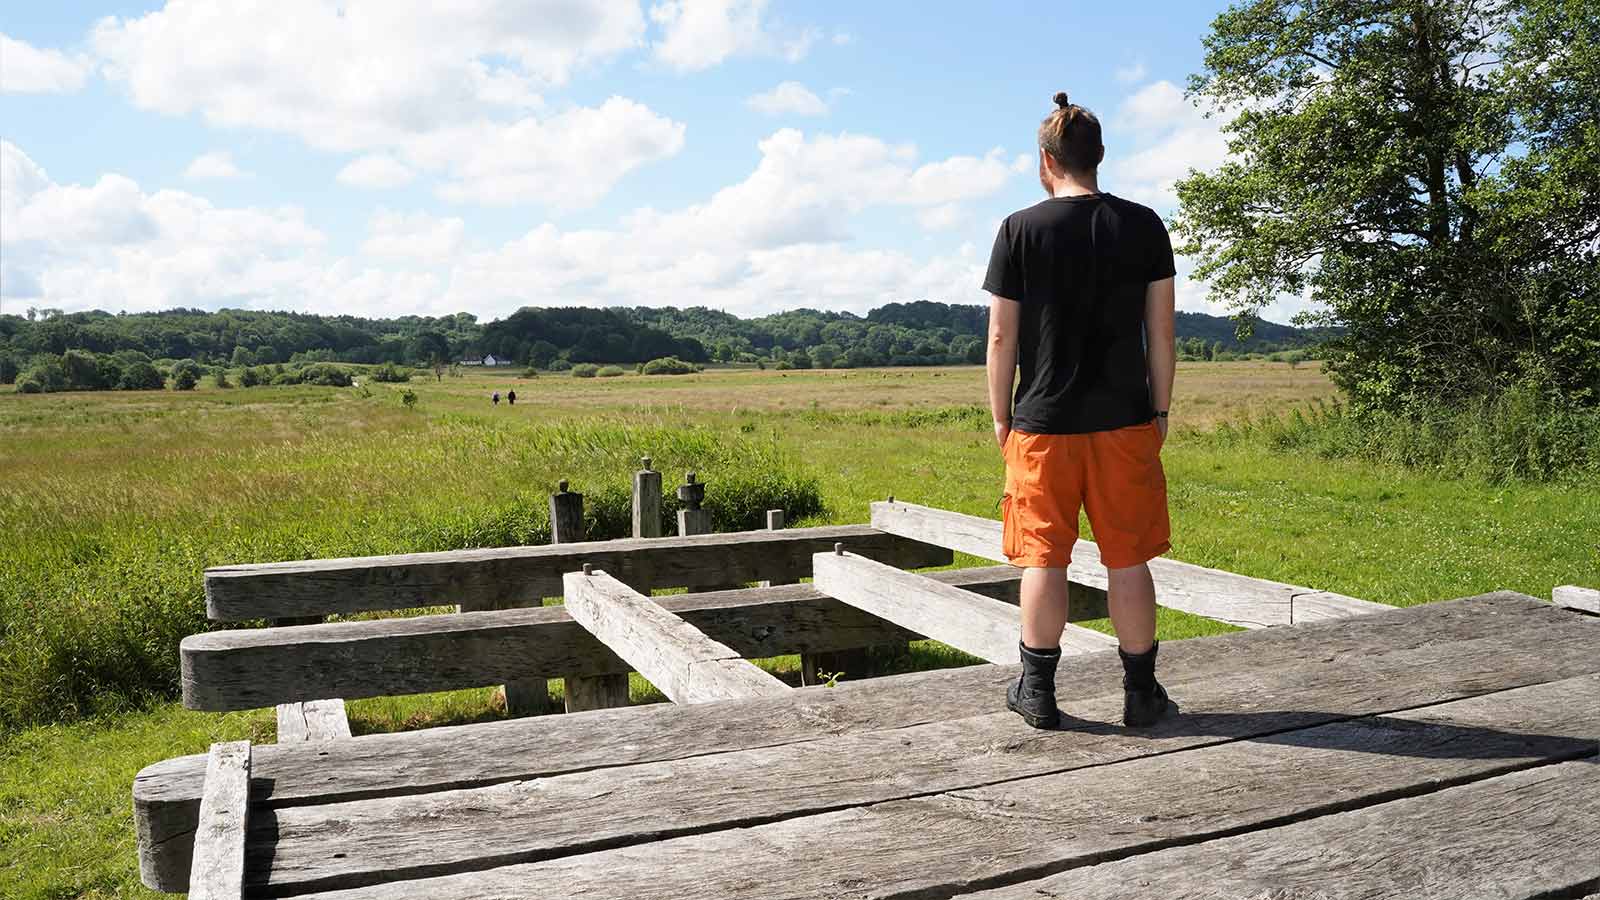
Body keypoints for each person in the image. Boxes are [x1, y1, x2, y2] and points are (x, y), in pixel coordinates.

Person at [984, 91, 1177, 730]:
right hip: (1126, 420)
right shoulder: (1144, 224)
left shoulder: (1018, 230)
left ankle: (1037, 692)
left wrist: (1000, 418)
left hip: (1042, 425)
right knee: (1128, 558)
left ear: (1046, 161)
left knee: (1043, 557)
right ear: (1099, 157)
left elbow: (1002, 337)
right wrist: (1161, 410)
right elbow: (1162, 330)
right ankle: (1141, 694)